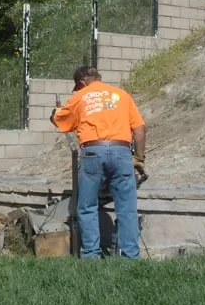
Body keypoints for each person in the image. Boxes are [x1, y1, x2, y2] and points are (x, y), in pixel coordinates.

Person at [50, 66, 146, 259]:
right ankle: (130, 256)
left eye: (77, 87)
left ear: (81, 83)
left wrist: (56, 112)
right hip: (121, 153)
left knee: (87, 206)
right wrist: (139, 160)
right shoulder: (121, 95)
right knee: (127, 208)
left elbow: (61, 121)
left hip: (93, 152)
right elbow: (140, 130)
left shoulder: (80, 97)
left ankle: (91, 256)